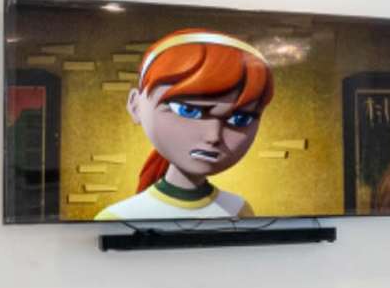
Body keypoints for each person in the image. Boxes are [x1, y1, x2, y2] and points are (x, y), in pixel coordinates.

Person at [97, 30, 274, 220]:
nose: (213, 136)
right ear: (135, 105)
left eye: (240, 119)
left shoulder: (238, 208)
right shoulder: (119, 217)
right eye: (188, 110)